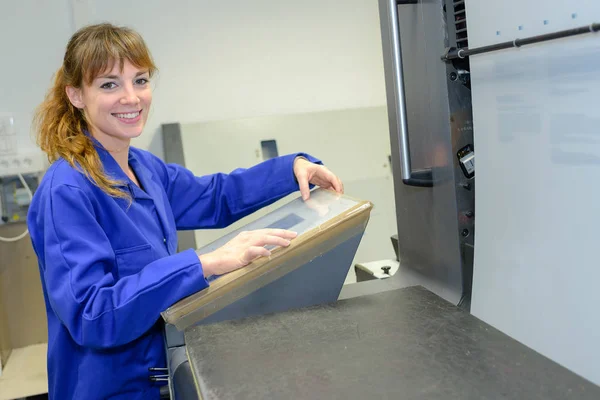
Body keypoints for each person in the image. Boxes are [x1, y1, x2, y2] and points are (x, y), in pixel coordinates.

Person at [27, 23, 343, 400]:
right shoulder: (66, 190)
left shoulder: (144, 168)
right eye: (109, 84)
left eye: (140, 80)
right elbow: (93, 314)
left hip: (159, 379)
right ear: (76, 95)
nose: (131, 97)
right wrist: (203, 264)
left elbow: (216, 196)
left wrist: (290, 168)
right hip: (108, 390)